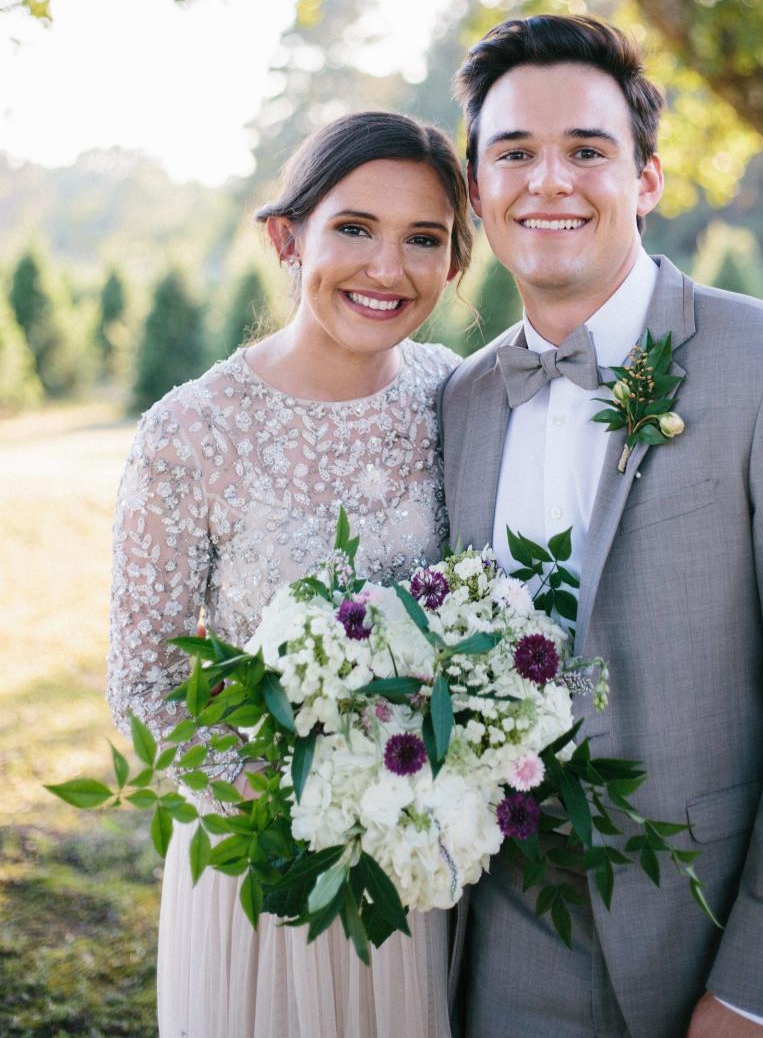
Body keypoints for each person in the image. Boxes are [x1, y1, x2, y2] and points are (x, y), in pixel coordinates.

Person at [440, 15, 763, 1038]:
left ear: (646, 180)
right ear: (478, 191)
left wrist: (761, 990)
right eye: (513, 153)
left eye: (587, 152)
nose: (548, 182)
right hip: (508, 951)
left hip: (721, 934)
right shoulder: (462, 403)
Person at [108, 110, 472, 1038]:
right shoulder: (190, 432)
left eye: (423, 239)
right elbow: (145, 684)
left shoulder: (458, 398)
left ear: (456, 264)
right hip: (263, 871)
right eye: (354, 228)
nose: (387, 270)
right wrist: (310, 815)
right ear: (287, 235)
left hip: (429, 862)